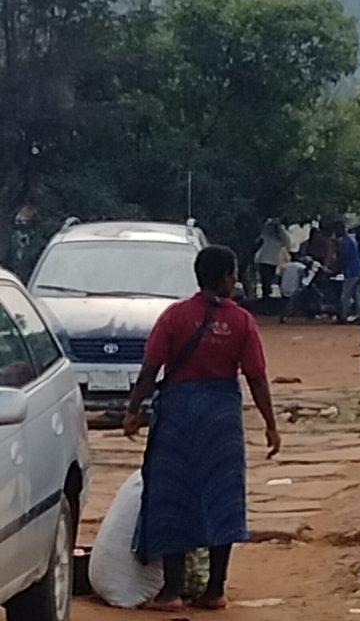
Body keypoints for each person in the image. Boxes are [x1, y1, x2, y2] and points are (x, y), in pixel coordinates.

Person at [124, 246, 280, 611]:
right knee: (221, 496)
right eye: (234, 274)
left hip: (179, 414)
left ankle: (172, 591)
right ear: (226, 277)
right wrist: (271, 425)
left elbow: (150, 370)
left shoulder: (175, 316)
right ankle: (215, 589)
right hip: (222, 417)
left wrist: (133, 411)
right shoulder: (242, 322)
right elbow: (256, 377)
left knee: (173, 493)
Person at [254, 218, 290, 303]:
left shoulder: (277, 237)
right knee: (266, 281)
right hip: (266, 260)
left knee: (267, 281)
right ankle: (265, 299)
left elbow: (287, 242)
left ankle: (266, 299)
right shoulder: (267, 234)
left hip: (270, 261)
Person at [336, 222, 360, 323]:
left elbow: (345, 257)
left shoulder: (346, 241)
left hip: (351, 271)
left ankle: (344, 316)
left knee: (345, 295)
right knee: (357, 295)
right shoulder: (351, 239)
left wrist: (337, 268)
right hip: (358, 269)